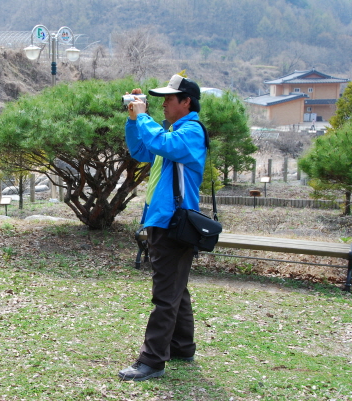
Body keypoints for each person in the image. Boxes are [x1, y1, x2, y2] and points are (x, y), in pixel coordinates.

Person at [118, 74, 207, 381]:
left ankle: (152, 361)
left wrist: (144, 116)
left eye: (169, 98)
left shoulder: (191, 132)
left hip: (174, 222)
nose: (164, 104)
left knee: (165, 293)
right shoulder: (172, 132)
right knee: (175, 287)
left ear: (187, 102)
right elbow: (141, 150)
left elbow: (160, 143)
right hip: (164, 220)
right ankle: (182, 346)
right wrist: (134, 121)